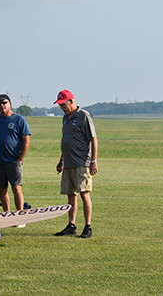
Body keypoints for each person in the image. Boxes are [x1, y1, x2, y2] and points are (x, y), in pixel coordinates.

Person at [53, 90, 98, 238]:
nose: (62, 108)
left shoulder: (83, 116)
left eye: (63, 104)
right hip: (68, 163)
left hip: (81, 163)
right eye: (60, 105)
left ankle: (88, 226)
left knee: (84, 195)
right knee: (70, 195)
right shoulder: (65, 118)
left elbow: (93, 139)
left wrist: (93, 161)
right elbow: (66, 139)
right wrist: (61, 160)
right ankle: (71, 225)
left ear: (72, 101)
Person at [0, 94, 31, 218]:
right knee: (2, 189)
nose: (1, 105)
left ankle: (19, 216)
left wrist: (20, 159)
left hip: (13, 161)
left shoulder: (19, 120)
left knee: (16, 188)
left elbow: (26, 140)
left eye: (4, 103)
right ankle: (7, 215)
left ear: (9, 104)